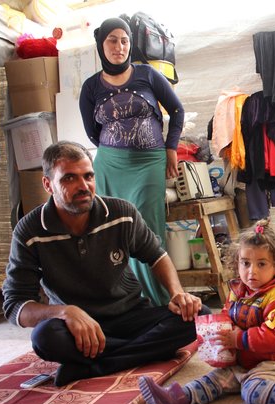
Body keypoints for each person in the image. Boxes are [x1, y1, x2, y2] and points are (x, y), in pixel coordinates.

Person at [2, 141, 208, 387]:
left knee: (198, 316)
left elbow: (157, 255)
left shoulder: (121, 212)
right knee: (45, 338)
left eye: (88, 176)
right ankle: (143, 351)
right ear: (48, 184)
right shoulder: (30, 231)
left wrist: (177, 293)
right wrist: (64, 311)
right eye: (69, 178)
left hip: (131, 316)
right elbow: (15, 305)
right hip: (78, 330)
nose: (83, 186)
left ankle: (99, 364)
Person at [138, 219, 275, 404]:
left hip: (274, 363)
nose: (251, 271)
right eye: (245, 263)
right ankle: (175, 398)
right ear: (236, 262)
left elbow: (273, 337)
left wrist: (238, 339)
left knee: (252, 392)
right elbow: (228, 314)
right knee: (212, 380)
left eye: (261, 264)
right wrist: (218, 334)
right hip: (241, 361)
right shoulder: (238, 290)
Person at [79, 17, 184, 306]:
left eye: (125, 40)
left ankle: (158, 301)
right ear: (101, 45)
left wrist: (171, 148)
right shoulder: (90, 87)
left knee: (147, 228)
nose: (119, 46)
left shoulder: (147, 75)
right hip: (109, 166)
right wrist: (115, 147)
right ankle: (122, 300)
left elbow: (177, 111)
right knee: (109, 229)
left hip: (148, 162)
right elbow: (92, 131)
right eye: (112, 40)